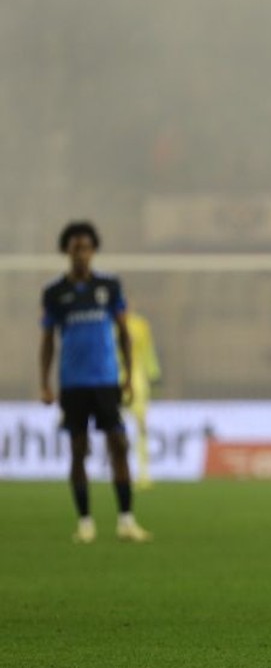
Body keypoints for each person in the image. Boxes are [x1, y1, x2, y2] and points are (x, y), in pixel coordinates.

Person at [39, 221, 152, 543]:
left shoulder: (109, 286)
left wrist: (127, 375)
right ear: (66, 251)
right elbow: (47, 340)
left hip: (105, 380)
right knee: (78, 449)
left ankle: (126, 520)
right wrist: (45, 382)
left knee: (119, 444)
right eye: (76, 248)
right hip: (73, 382)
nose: (81, 254)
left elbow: (123, 333)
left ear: (93, 251)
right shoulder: (54, 293)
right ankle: (85, 522)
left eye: (86, 248)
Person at [120, 302, 162, 489]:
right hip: (115, 380)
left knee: (141, 426)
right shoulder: (110, 326)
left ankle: (144, 473)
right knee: (116, 430)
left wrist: (154, 375)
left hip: (137, 380)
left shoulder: (140, 325)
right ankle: (120, 471)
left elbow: (147, 351)